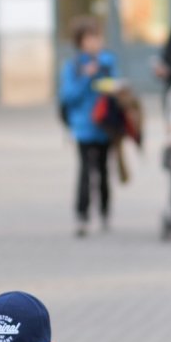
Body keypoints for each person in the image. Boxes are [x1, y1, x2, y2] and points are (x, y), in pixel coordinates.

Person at [59, 17, 119, 237]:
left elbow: (115, 88)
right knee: (85, 171)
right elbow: (68, 96)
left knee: (104, 170)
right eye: (90, 38)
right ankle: (82, 215)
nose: (95, 42)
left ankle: (104, 212)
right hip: (84, 126)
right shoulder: (73, 66)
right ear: (81, 41)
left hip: (105, 126)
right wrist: (86, 78)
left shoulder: (107, 62)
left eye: (98, 37)